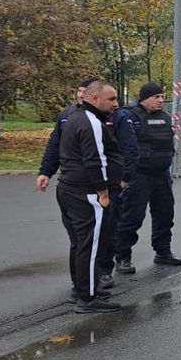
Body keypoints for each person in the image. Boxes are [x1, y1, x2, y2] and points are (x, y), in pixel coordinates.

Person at [56, 80, 124, 313]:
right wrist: (103, 192)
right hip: (86, 193)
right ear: (94, 98)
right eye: (111, 99)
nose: (116, 103)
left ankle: (82, 287)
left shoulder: (75, 117)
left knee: (80, 243)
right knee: (91, 245)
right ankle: (88, 297)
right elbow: (95, 160)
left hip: (70, 189)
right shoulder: (90, 121)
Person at [111, 82, 181, 274]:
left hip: (161, 175)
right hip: (138, 175)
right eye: (156, 97)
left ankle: (163, 251)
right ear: (144, 98)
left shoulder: (165, 117)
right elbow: (122, 147)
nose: (160, 100)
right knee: (131, 217)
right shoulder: (129, 116)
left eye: (162, 97)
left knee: (165, 214)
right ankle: (123, 257)